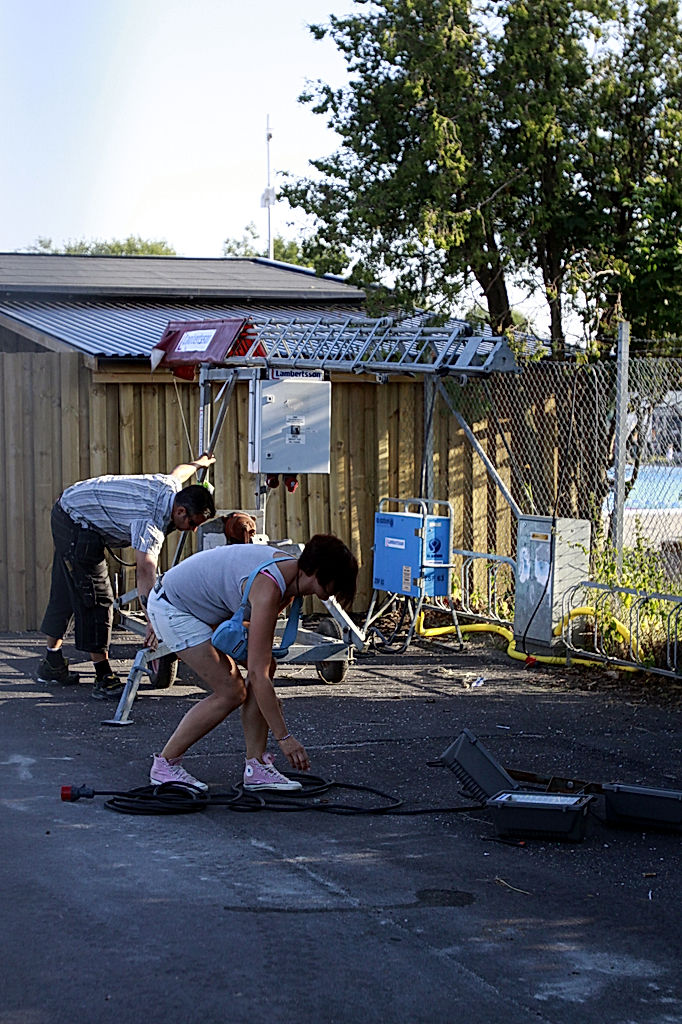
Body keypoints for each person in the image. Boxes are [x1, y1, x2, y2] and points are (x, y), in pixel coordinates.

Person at [145, 534, 358, 792]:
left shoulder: (291, 578)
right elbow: (256, 675)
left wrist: (267, 703)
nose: (338, 590)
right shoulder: (270, 587)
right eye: (337, 581)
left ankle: (255, 767)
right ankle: (165, 764)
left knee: (266, 669)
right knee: (232, 691)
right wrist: (285, 738)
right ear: (316, 572)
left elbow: (261, 665)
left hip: (200, 606)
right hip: (173, 607)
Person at [38, 454, 217, 700]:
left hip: (70, 504)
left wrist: (199, 464)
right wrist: (153, 618)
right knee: (97, 597)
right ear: (181, 510)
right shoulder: (150, 524)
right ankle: (103, 678)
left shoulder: (170, 487)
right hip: (75, 522)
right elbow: (146, 571)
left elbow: (180, 471)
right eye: (193, 522)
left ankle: (52, 664)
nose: (194, 529)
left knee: (66, 589)